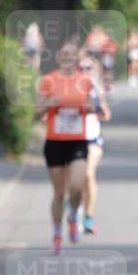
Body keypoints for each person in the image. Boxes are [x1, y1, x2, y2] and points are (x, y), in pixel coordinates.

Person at [35, 41, 102, 254]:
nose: (67, 57)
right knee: (59, 191)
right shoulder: (49, 80)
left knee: (77, 186)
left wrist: (91, 107)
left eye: (71, 54)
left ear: (76, 59)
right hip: (55, 141)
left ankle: (73, 215)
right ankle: (57, 233)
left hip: (77, 141)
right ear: (58, 57)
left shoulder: (85, 81)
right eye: (64, 54)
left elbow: (96, 107)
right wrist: (48, 104)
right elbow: (36, 113)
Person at [79, 54, 111, 235]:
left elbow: (106, 115)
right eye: (82, 68)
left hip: (93, 138)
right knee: (75, 180)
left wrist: (98, 101)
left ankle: (88, 216)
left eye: (89, 68)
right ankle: (74, 206)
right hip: (73, 139)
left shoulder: (97, 89)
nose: (85, 72)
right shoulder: (71, 86)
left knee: (89, 175)